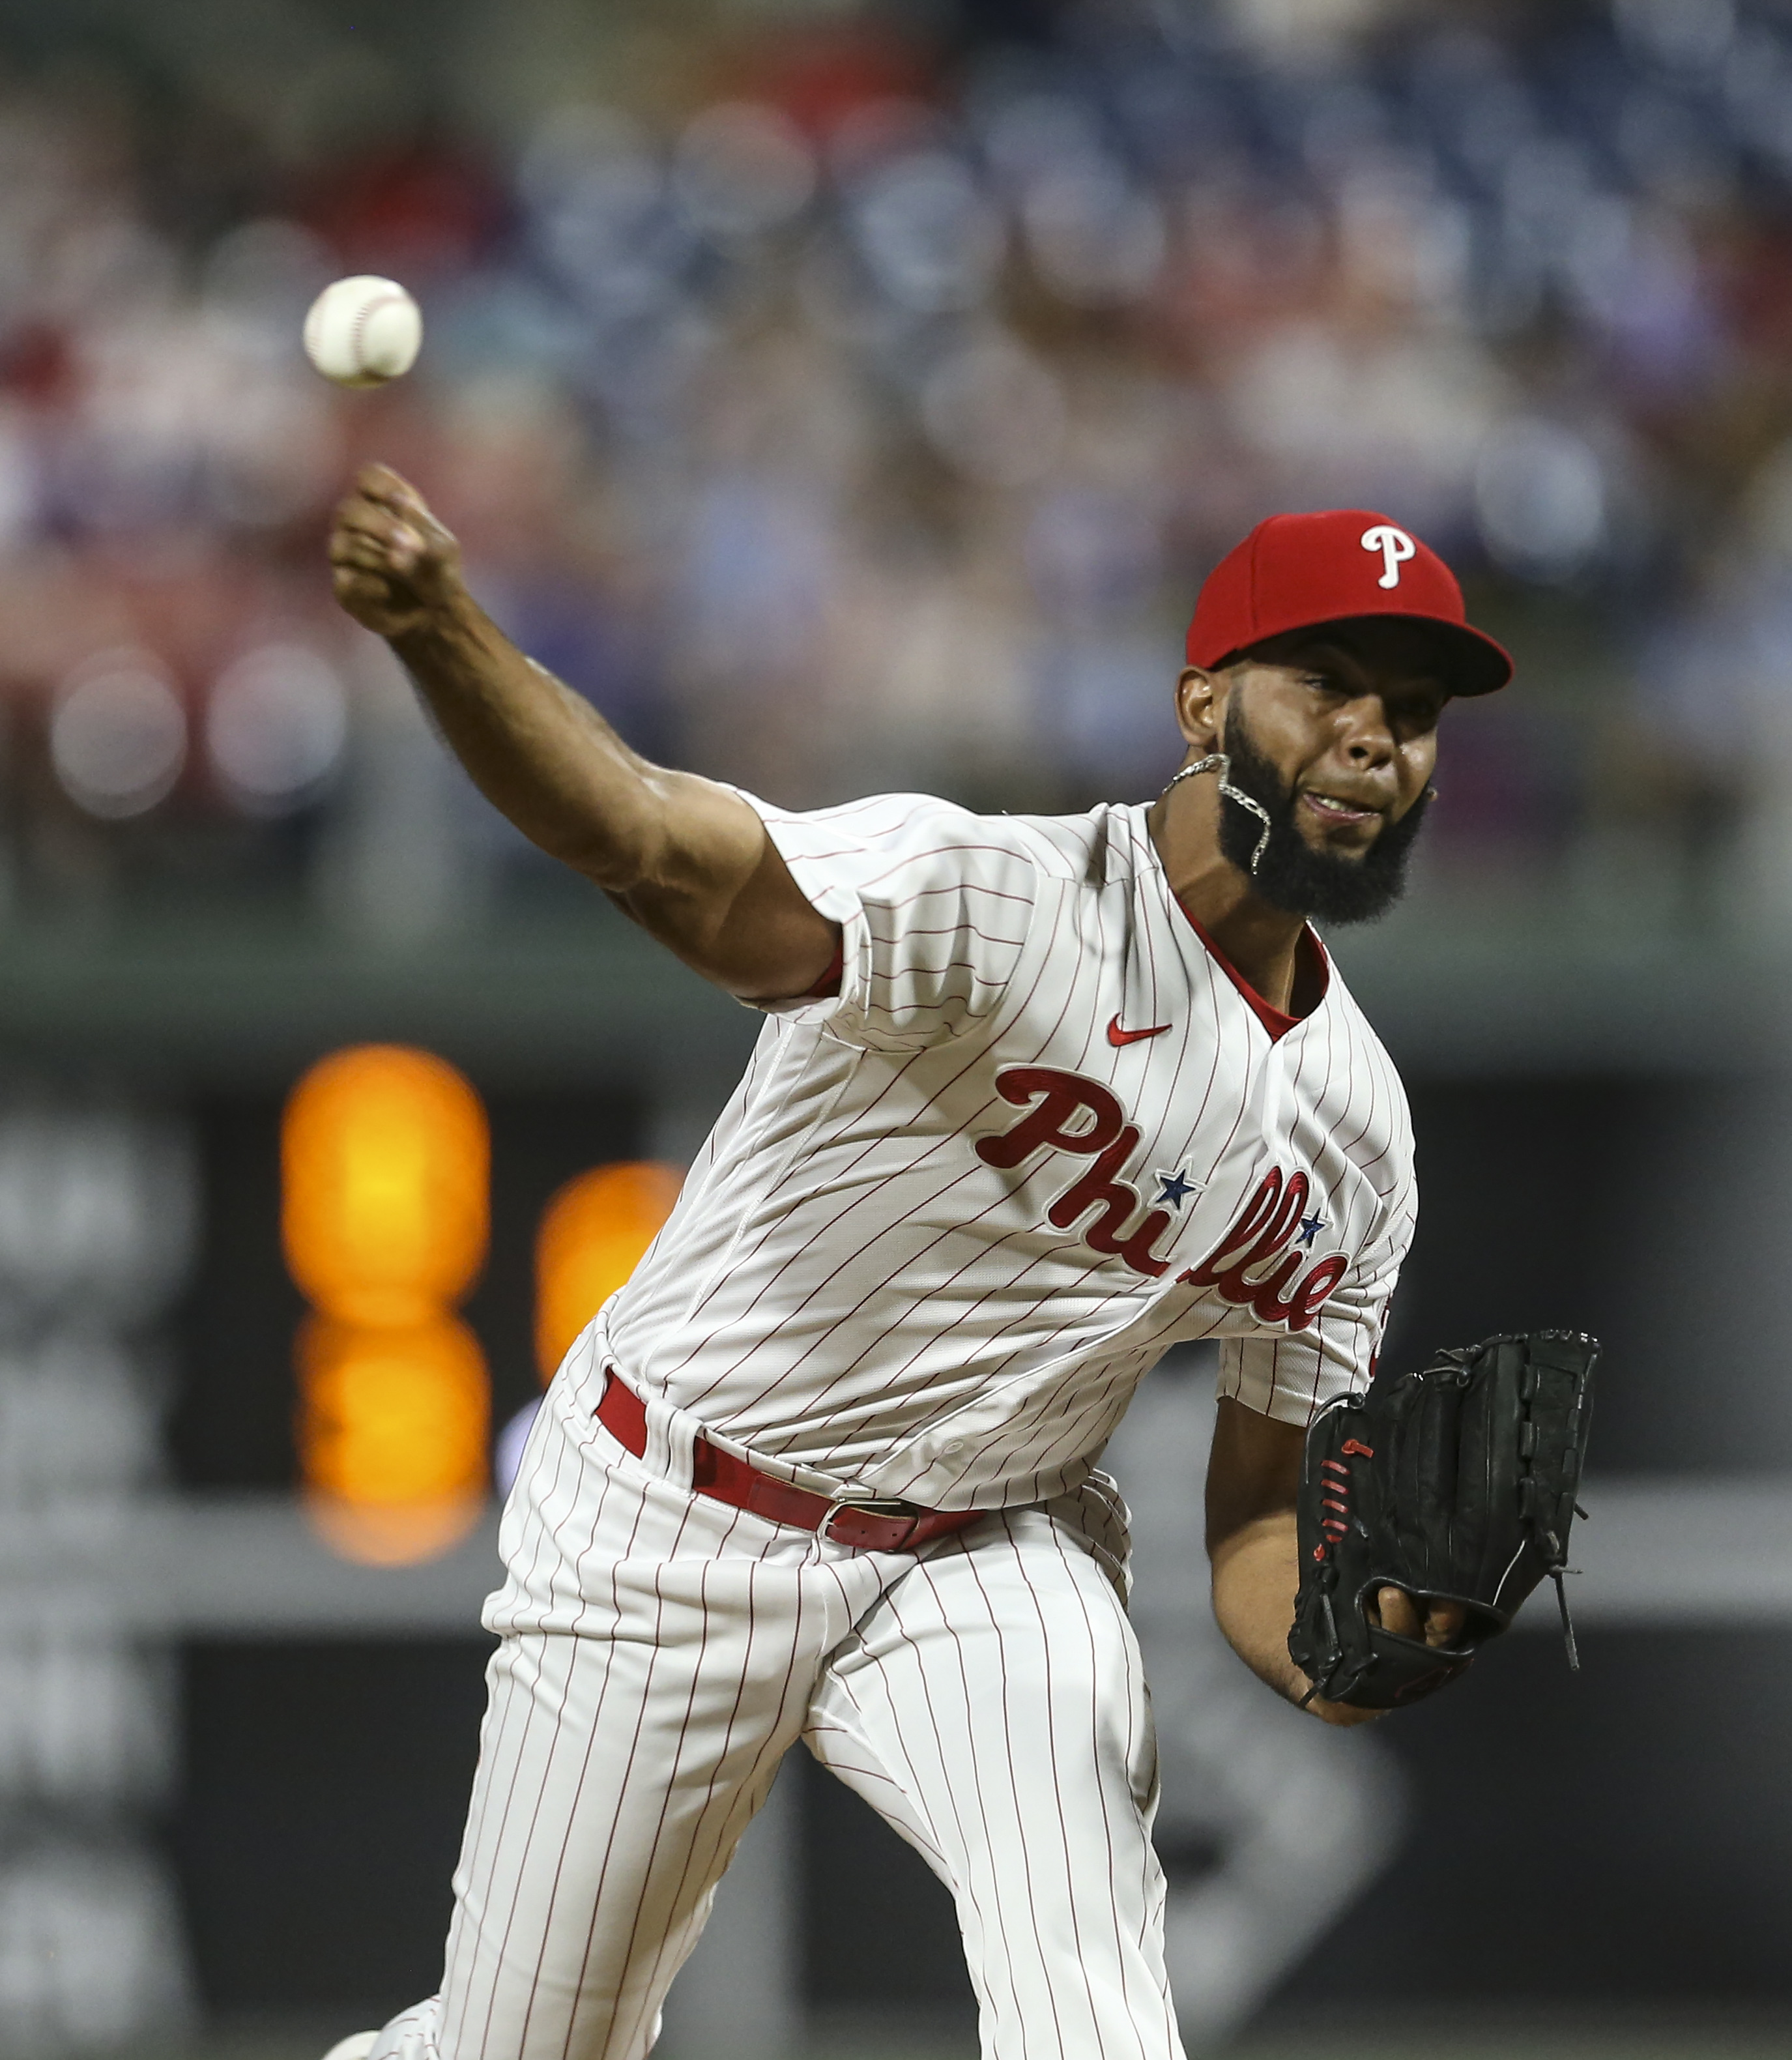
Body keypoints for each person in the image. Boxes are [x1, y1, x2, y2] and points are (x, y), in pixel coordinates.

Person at [321, 477, 1505, 2060]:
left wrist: (1341, 1643)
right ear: (1202, 705)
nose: (1376, 737)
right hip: (670, 1513)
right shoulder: (988, 899)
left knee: (1095, 2009)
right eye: (1328, 686)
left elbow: (1263, 1511)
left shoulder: (1354, 1134)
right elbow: (656, 852)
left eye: (1412, 710)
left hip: (983, 1549)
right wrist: (445, 636)